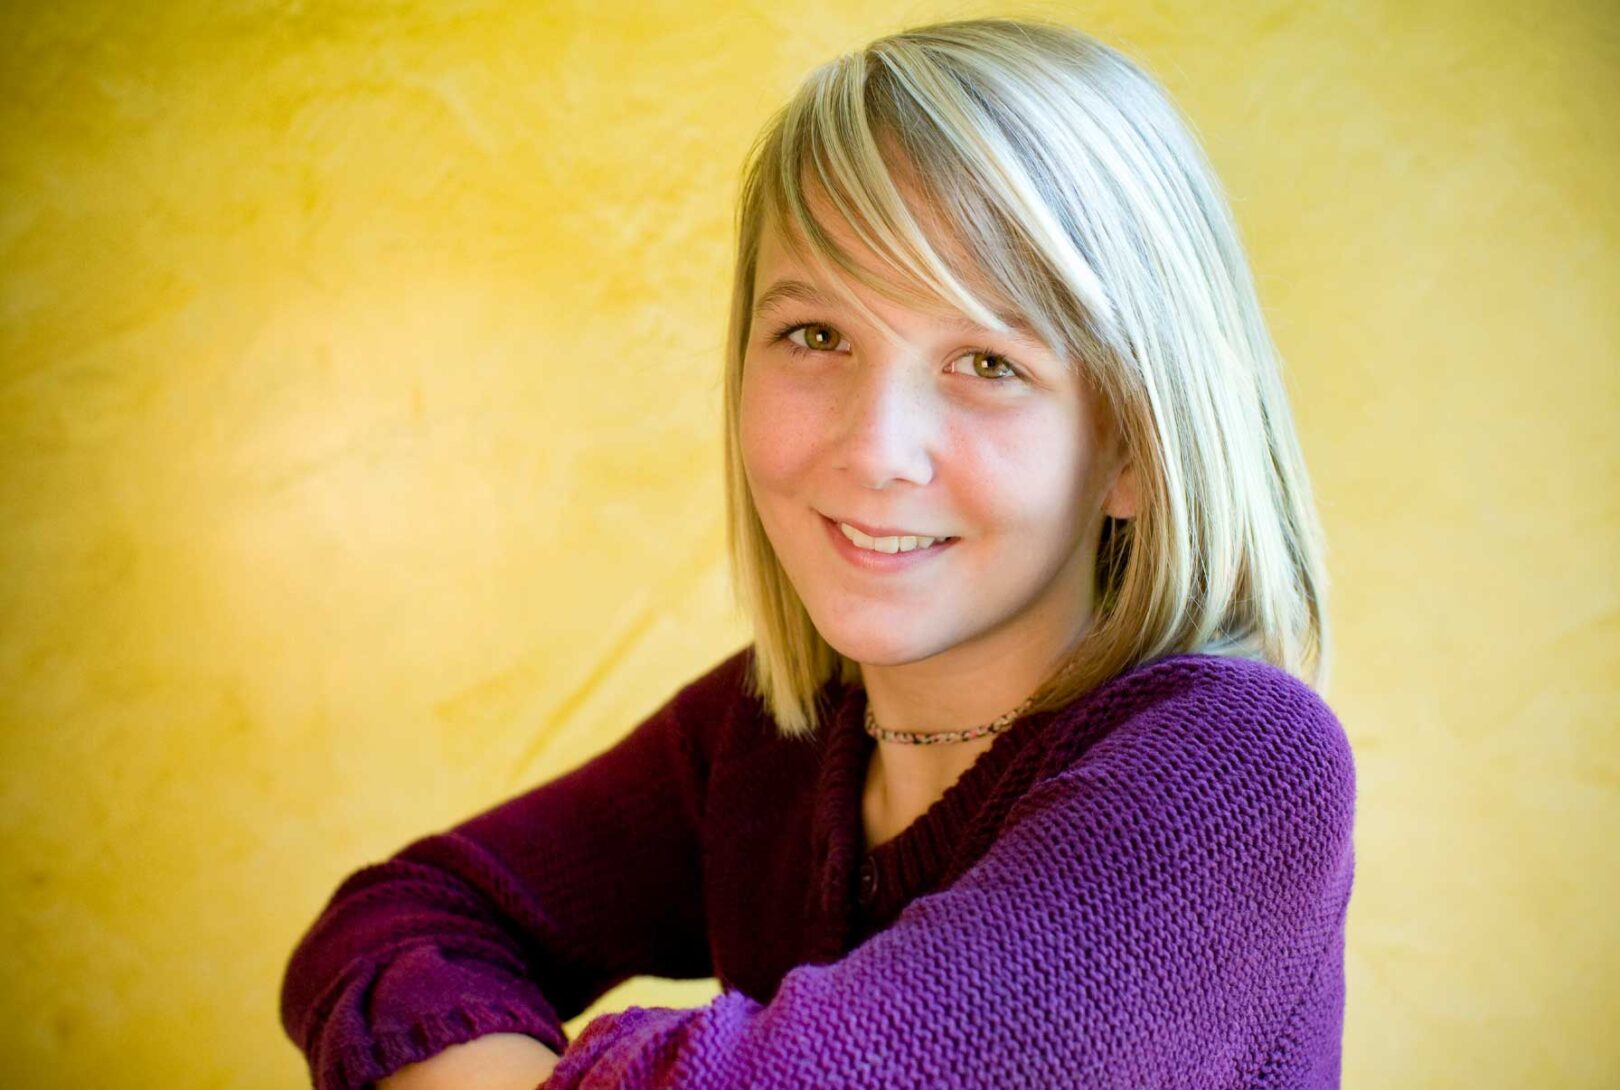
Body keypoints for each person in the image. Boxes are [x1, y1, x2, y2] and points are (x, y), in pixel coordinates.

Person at [280, 16, 1356, 1089]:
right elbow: (395, 920)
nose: (875, 449)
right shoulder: (766, 735)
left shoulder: (1240, 766)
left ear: (1132, 445)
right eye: (815, 336)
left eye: (986, 359)